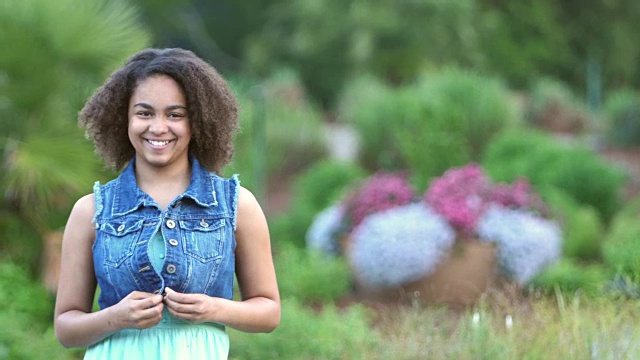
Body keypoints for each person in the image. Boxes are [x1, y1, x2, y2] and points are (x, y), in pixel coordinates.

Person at [54, 48, 281, 359]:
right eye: (144, 113)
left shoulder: (236, 205)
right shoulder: (91, 211)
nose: (158, 128)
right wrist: (117, 317)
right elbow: (66, 328)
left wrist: (215, 308)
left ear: (197, 121)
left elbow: (268, 312)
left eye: (175, 114)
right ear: (125, 118)